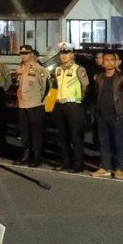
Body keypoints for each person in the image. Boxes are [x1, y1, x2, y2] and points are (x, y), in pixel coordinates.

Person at [92, 49, 123, 180]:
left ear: (116, 62)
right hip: (102, 115)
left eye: (111, 60)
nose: (108, 62)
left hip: (117, 116)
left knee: (118, 143)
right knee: (104, 143)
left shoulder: (122, 78)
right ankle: (105, 167)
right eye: (106, 60)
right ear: (102, 62)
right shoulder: (99, 78)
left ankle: (120, 169)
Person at [52, 43, 90, 172]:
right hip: (60, 104)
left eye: (67, 53)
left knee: (75, 137)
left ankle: (78, 165)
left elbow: (86, 87)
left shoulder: (78, 69)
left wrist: (80, 101)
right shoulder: (57, 69)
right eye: (62, 53)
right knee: (62, 137)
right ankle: (65, 162)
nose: (63, 56)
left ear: (72, 55)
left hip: (74, 105)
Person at [15, 47, 50, 167]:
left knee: (36, 132)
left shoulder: (39, 69)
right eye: (21, 53)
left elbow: (45, 87)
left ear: (31, 54)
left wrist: (39, 100)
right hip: (22, 104)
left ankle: (36, 156)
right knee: (24, 131)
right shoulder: (19, 68)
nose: (23, 55)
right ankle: (26, 154)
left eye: (25, 53)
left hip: (35, 104)